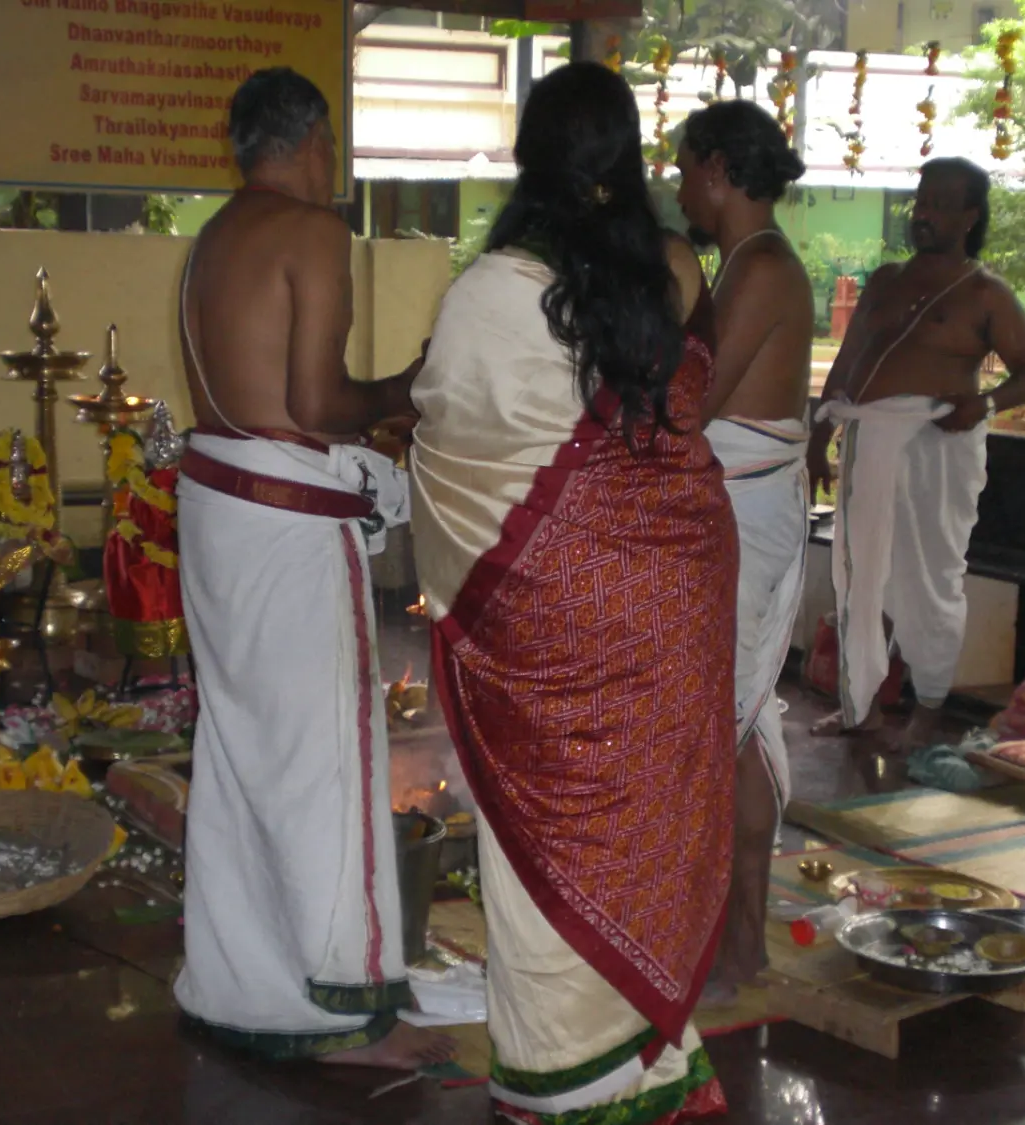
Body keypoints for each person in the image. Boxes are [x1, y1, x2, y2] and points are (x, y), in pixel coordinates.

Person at [411, 63, 737, 1124]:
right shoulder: (677, 269)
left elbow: (451, 443)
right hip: (670, 600)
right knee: (645, 819)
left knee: (549, 837)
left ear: (528, 156)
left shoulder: (485, 296)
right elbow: (676, 437)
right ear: (633, 153)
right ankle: (650, 1058)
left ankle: (569, 1076)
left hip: (547, 625)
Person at [171, 68, 452, 1071]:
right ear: (313, 142)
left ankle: (235, 983)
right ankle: (337, 1003)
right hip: (285, 526)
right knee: (324, 759)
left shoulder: (210, 238)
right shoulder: (314, 231)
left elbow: (252, 402)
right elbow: (318, 401)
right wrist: (403, 389)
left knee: (242, 754)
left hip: (218, 511)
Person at [807, 157, 1025, 750]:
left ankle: (929, 711)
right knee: (861, 575)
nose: (925, 212)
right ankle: (859, 703)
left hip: (935, 446)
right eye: (922, 199)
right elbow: (849, 361)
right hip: (867, 439)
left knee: (929, 577)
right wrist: (818, 438)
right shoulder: (886, 281)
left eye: (942, 203)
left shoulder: (987, 294)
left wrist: (984, 403)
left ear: (970, 216)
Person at [676, 100, 814, 1005]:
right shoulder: (743, 264)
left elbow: (693, 399)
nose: (680, 185)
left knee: (729, 724)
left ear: (720, 171)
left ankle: (743, 947)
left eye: (686, 167)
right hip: (739, 507)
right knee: (731, 719)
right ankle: (731, 936)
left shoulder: (760, 267)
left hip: (747, 513)